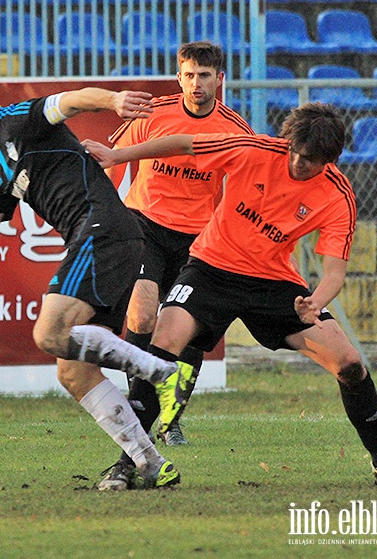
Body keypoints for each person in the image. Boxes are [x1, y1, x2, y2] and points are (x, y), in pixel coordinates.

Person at [81, 102, 377, 486]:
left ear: (330, 160)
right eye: (295, 152)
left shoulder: (337, 195)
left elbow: (334, 271)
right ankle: (127, 463)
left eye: (311, 160)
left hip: (274, 282)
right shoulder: (254, 149)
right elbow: (184, 143)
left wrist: (316, 302)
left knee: (349, 363)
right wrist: (117, 155)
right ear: (287, 142)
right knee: (161, 346)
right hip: (210, 269)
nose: (299, 163)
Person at [0, 63, 185, 488]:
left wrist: (112, 100)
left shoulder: (17, 121)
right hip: (110, 240)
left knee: (49, 332)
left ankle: (161, 372)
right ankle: (149, 462)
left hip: (103, 230)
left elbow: (71, 100)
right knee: (72, 372)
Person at [98, 42, 254, 491]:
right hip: (145, 225)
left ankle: (171, 417)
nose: (196, 84)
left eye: (205, 75)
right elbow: (109, 163)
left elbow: (239, 188)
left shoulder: (233, 128)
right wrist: (109, 217)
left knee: (184, 329)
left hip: (199, 238)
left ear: (219, 79)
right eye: (189, 75)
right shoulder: (152, 114)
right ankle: (137, 408)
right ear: (178, 76)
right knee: (142, 316)